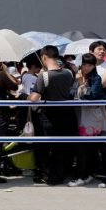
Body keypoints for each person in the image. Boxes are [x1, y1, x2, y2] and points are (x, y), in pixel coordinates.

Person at [29, 46, 77, 185]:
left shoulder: (44, 76)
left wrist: (26, 96)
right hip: (67, 114)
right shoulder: (68, 73)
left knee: (45, 147)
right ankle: (60, 175)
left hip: (49, 116)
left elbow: (34, 98)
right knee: (61, 147)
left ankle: (48, 175)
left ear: (44, 57)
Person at [69, 53, 106, 187]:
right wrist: (78, 83)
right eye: (84, 64)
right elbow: (71, 94)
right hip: (79, 115)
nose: (86, 67)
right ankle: (89, 174)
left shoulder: (95, 78)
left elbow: (92, 96)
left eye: (90, 65)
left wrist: (81, 85)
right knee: (87, 147)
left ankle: (82, 175)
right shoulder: (78, 77)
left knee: (85, 147)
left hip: (90, 117)